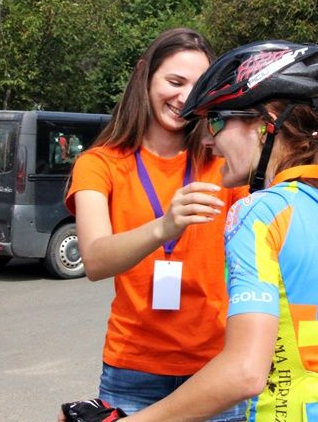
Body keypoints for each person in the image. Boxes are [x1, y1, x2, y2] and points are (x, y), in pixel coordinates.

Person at [120, 41, 318, 421]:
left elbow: (244, 373)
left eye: (216, 121)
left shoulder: (259, 213)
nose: (206, 139)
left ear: (265, 125)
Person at [64, 28, 248, 420]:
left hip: (216, 365)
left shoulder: (225, 164)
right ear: (145, 76)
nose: (184, 98)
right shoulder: (100, 164)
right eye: (175, 82)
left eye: (198, 87)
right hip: (133, 370)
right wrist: (164, 227)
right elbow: (94, 260)